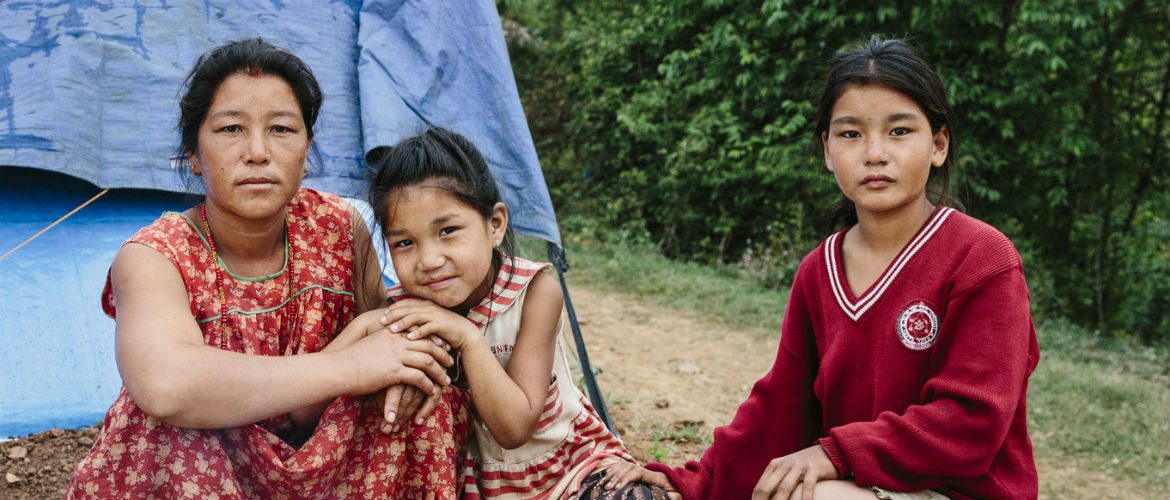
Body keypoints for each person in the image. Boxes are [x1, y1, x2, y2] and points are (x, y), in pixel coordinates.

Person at [602, 37, 1041, 500]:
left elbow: (971, 423)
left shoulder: (982, 258)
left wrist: (834, 454)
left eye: (899, 131)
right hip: (861, 483)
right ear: (828, 151)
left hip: (957, 491)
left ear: (938, 144)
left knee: (804, 494)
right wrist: (696, 480)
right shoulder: (819, 270)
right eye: (851, 133)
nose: (875, 153)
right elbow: (779, 408)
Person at [67, 38, 468, 498]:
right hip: (208, 474)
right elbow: (166, 385)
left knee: (417, 386)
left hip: (325, 457)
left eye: (280, 129)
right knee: (168, 426)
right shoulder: (156, 255)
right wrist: (350, 365)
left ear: (307, 149)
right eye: (230, 129)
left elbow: (392, 340)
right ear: (194, 155)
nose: (257, 152)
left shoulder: (339, 227)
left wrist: (379, 344)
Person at [367, 127, 671, 499]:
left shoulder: (535, 293)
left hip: (567, 470)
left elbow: (514, 428)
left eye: (447, 230)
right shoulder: (404, 311)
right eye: (404, 243)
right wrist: (369, 324)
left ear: (495, 224)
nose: (429, 260)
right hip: (471, 488)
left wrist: (466, 336)